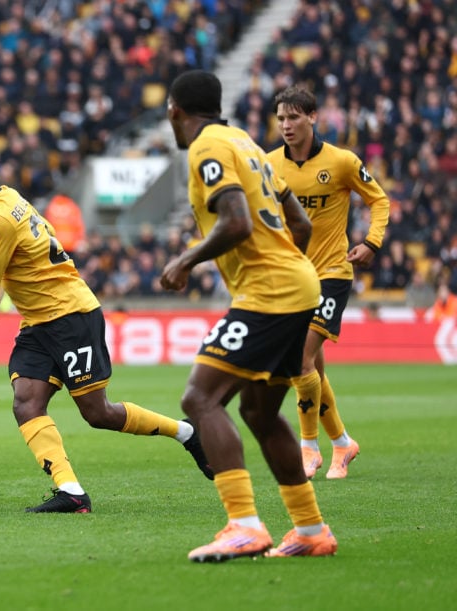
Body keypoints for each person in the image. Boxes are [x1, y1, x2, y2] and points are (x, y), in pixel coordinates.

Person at [0, 150, 213, 515]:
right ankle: (70, 492)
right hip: (39, 322)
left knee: (98, 413)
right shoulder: (9, 197)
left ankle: (186, 433)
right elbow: (21, 257)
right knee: (26, 400)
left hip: (71, 316)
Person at [161, 70, 336, 560]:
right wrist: (287, 266)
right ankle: (310, 529)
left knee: (200, 398)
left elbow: (235, 221)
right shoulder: (247, 143)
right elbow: (299, 223)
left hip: (271, 293)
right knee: (260, 411)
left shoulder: (206, 148)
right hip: (295, 286)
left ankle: (243, 524)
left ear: (176, 110)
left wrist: (185, 259)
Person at [269, 85, 390, 480]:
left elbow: (380, 200)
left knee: (298, 360)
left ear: (312, 117)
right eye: (281, 118)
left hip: (332, 274)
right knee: (312, 373)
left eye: (293, 117)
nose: (286, 125)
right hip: (292, 280)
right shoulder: (269, 164)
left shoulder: (341, 162)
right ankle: (342, 444)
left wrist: (372, 242)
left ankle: (308, 449)